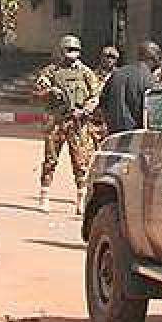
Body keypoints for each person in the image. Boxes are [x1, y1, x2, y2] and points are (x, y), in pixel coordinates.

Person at [32, 35, 102, 214]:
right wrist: (49, 91)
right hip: (56, 121)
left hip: (77, 122)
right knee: (50, 160)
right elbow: (37, 92)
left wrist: (84, 111)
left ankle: (80, 199)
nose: (73, 54)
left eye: (76, 50)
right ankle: (44, 196)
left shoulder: (86, 73)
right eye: (69, 50)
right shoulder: (51, 71)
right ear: (62, 51)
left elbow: (95, 97)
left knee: (81, 162)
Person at [100, 41, 162, 135]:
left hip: (113, 138)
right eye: (159, 57)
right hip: (137, 139)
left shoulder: (116, 74)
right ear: (154, 57)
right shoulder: (149, 80)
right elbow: (156, 119)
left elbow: (102, 103)